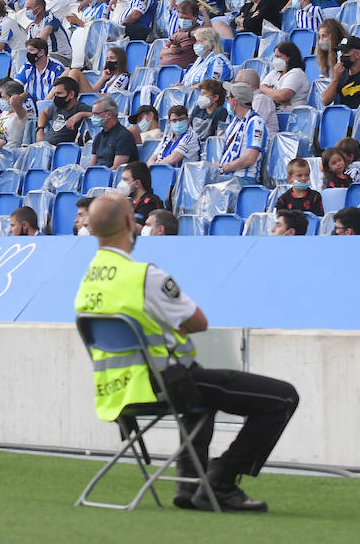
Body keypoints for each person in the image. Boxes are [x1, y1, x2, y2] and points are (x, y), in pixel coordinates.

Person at [75, 193, 299, 513]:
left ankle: (189, 485)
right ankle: (220, 482)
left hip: (117, 391)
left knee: (200, 395)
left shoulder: (88, 281)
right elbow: (198, 322)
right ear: (130, 224)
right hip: (163, 384)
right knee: (282, 398)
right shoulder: (144, 276)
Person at [321, 36, 360, 108]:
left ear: (357, 54)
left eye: (345, 52)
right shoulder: (340, 74)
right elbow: (325, 101)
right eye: (341, 52)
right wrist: (335, 79)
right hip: (344, 116)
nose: (342, 56)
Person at [87, 97, 138, 169]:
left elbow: (117, 168)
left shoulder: (124, 136)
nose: (93, 117)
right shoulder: (98, 137)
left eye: (96, 114)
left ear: (109, 114)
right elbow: (91, 166)